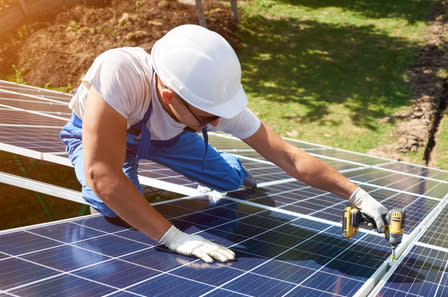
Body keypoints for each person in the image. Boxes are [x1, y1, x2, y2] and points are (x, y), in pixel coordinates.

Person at [60, 24, 387, 263]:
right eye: (207, 119)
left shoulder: (207, 102)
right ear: (168, 96)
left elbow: (289, 157)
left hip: (170, 137)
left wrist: (358, 195)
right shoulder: (120, 73)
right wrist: (174, 238)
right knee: (108, 202)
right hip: (106, 138)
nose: (217, 123)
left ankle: (228, 164)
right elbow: (104, 174)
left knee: (233, 182)